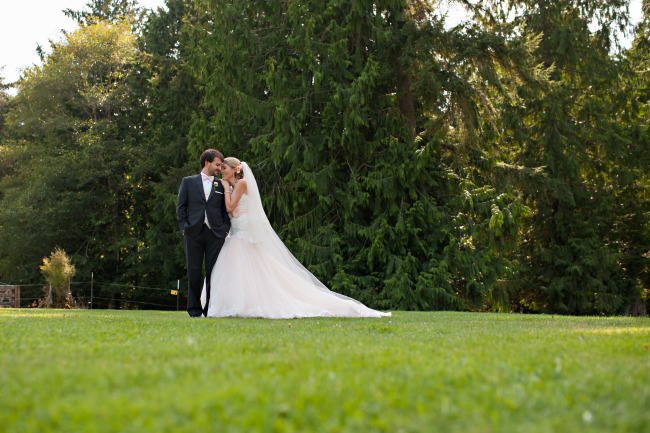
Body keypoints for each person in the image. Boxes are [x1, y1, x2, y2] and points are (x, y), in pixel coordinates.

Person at [206, 157, 390, 318]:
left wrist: (226, 189)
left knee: (251, 266)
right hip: (237, 231)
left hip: (244, 232)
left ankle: (250, 304)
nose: (221, 171)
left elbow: (230, 207)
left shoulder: (241, 184)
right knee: (240, 269)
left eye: (224, 168)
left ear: (234, 169)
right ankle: (236, 304)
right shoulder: (234, 185)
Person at [176, 149, 230, 317]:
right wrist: (184, 227)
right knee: (194, 271)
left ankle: (210, 309)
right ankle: (194, 311)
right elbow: (181, 207)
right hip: (193, 232)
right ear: (207, 162)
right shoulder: (188, 182)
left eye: (221, 166)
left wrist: (225, 228)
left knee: (213, 273)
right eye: (217, 164)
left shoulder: (222, 184)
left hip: (215, 234)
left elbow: (225, 210)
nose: (219, 169)